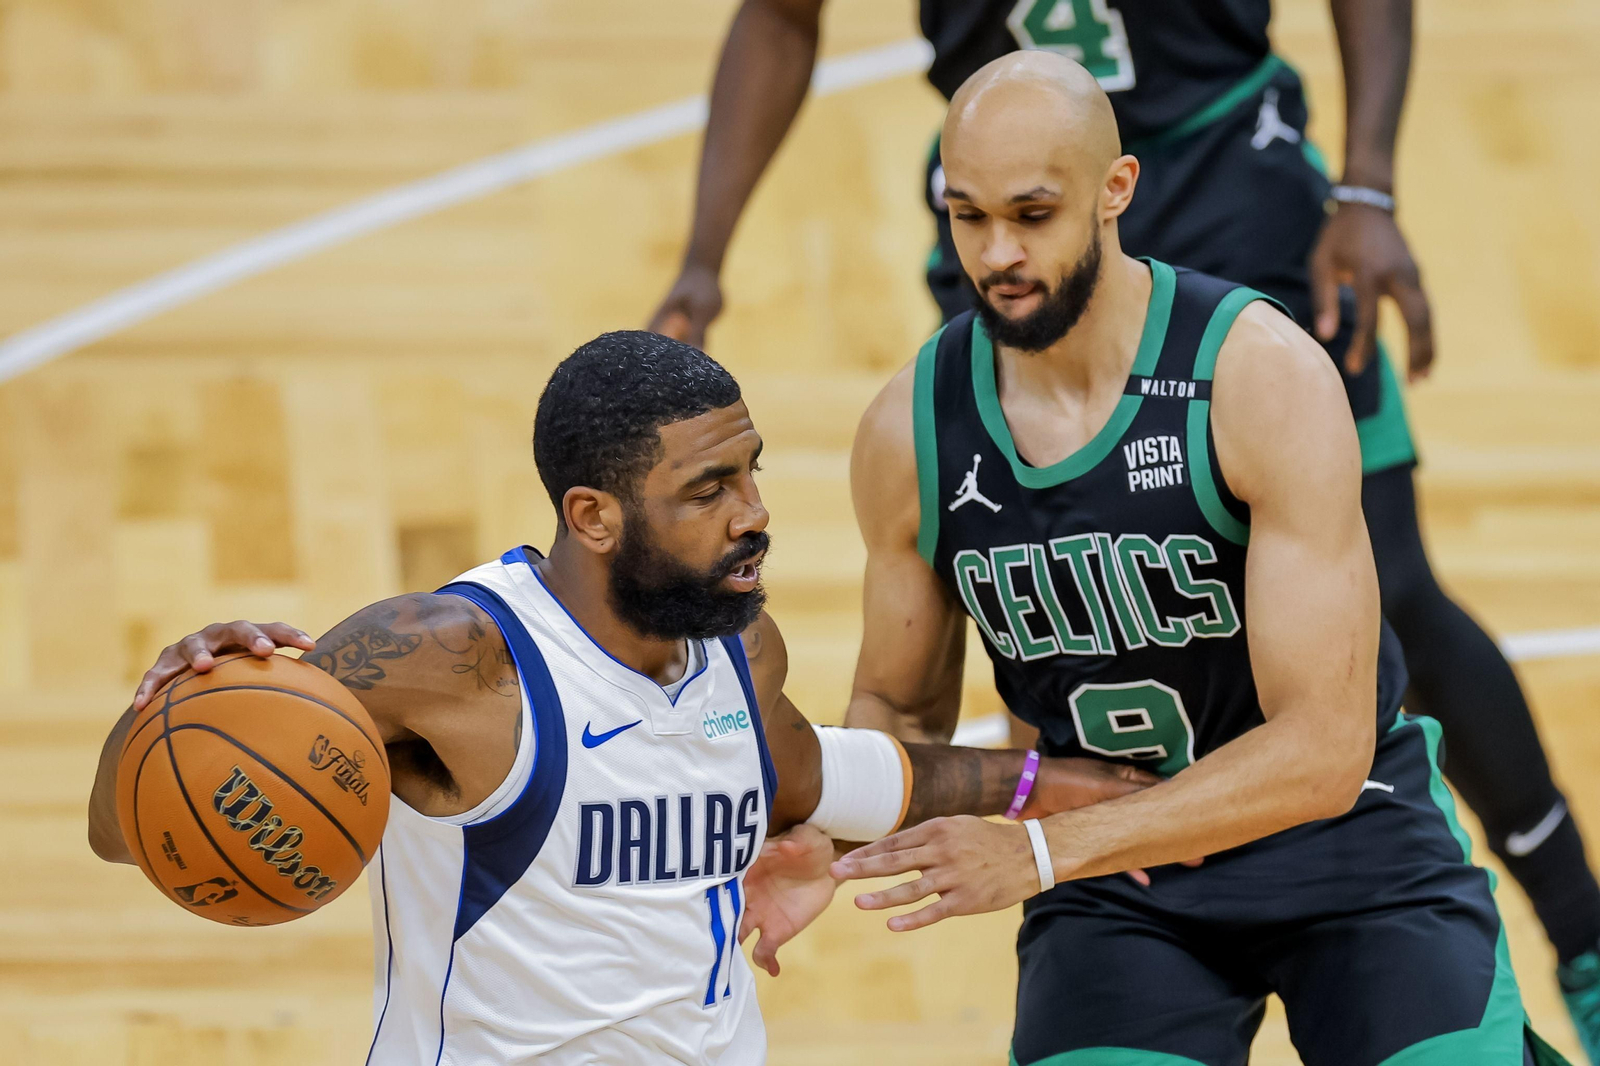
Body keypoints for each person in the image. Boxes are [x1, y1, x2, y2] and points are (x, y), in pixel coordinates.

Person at [649, 2, 1600, 1052]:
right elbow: (898, 702)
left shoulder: (1263, 373)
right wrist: (830, 828)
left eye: (1029, 215)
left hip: (1345, 848)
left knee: (1397, 589)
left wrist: (1047, 850)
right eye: (966, 217)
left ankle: (1581, 942)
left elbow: (1327, 753)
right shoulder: (909, 427)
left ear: (1112, 195)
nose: (995, 253)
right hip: (1123, 890)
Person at [85, 331, 1153, 1065]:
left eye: (751, 473)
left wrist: (1044, 783)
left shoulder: (741, 648)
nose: (755, 514)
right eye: (709, 491)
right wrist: (184, 704)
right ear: (592, 516)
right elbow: (129, 828)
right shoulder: (451, 658)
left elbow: (811, 775)